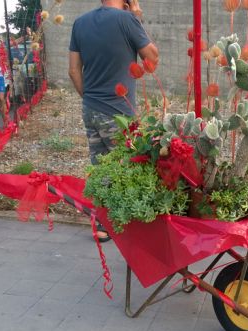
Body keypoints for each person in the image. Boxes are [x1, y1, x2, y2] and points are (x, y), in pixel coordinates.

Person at [68, 0, 159, 241]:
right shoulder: (127, 20)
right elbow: (152, 59)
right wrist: (138, 19)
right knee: (131, 166)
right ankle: (135, 225)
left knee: (101, 169)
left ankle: (103, 226)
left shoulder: (80, 23)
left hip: (90, 108)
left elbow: (74, 71)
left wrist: (89, 98)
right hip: (119, 113)